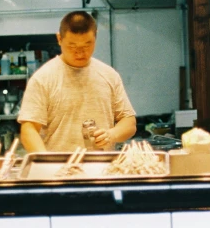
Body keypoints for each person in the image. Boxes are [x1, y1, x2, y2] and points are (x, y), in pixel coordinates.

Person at [18, 11, 136, 153]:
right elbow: (29, 129)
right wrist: (45, 162)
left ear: (95, 37)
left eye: (87, 45)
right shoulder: (43, 78)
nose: (80, 53)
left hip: (103, 168)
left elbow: (129, 122)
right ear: (59, 39)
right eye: (72, 46)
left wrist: (112, 135)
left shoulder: (109, 75)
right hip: (59, 170)